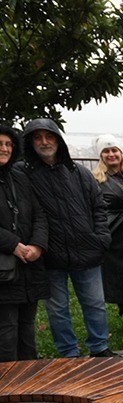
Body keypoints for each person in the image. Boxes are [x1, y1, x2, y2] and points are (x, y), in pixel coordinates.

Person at [18, 118, 115, 358]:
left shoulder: (79, 172)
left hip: (87, 249)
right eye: (38, 138)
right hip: (50, 254)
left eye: (49, 137)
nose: (44, 142)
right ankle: (68, 353)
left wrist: (101, 237)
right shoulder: (24, 174)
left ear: (58, 140)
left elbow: (98, 206)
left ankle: (99, 347)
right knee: (58, 309)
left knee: (94, 304)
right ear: (30, 143)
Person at [0, 125, 48, 361]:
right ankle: (8, 387)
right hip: (5, 267)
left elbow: (39, 213)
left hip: (29, 266)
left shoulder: (19, 176)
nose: (4, 148)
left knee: (27, 327)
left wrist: (37, 245)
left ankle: (30, 379)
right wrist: (13, 244)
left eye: (8, 144)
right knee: (6, 331)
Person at [91, 135, 123, 338]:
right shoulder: (97, 180)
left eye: (114, 150)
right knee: (121, 276)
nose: (111, 155)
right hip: (116, 234)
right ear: (101, 155)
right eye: (106, 152)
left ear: (121, 153)